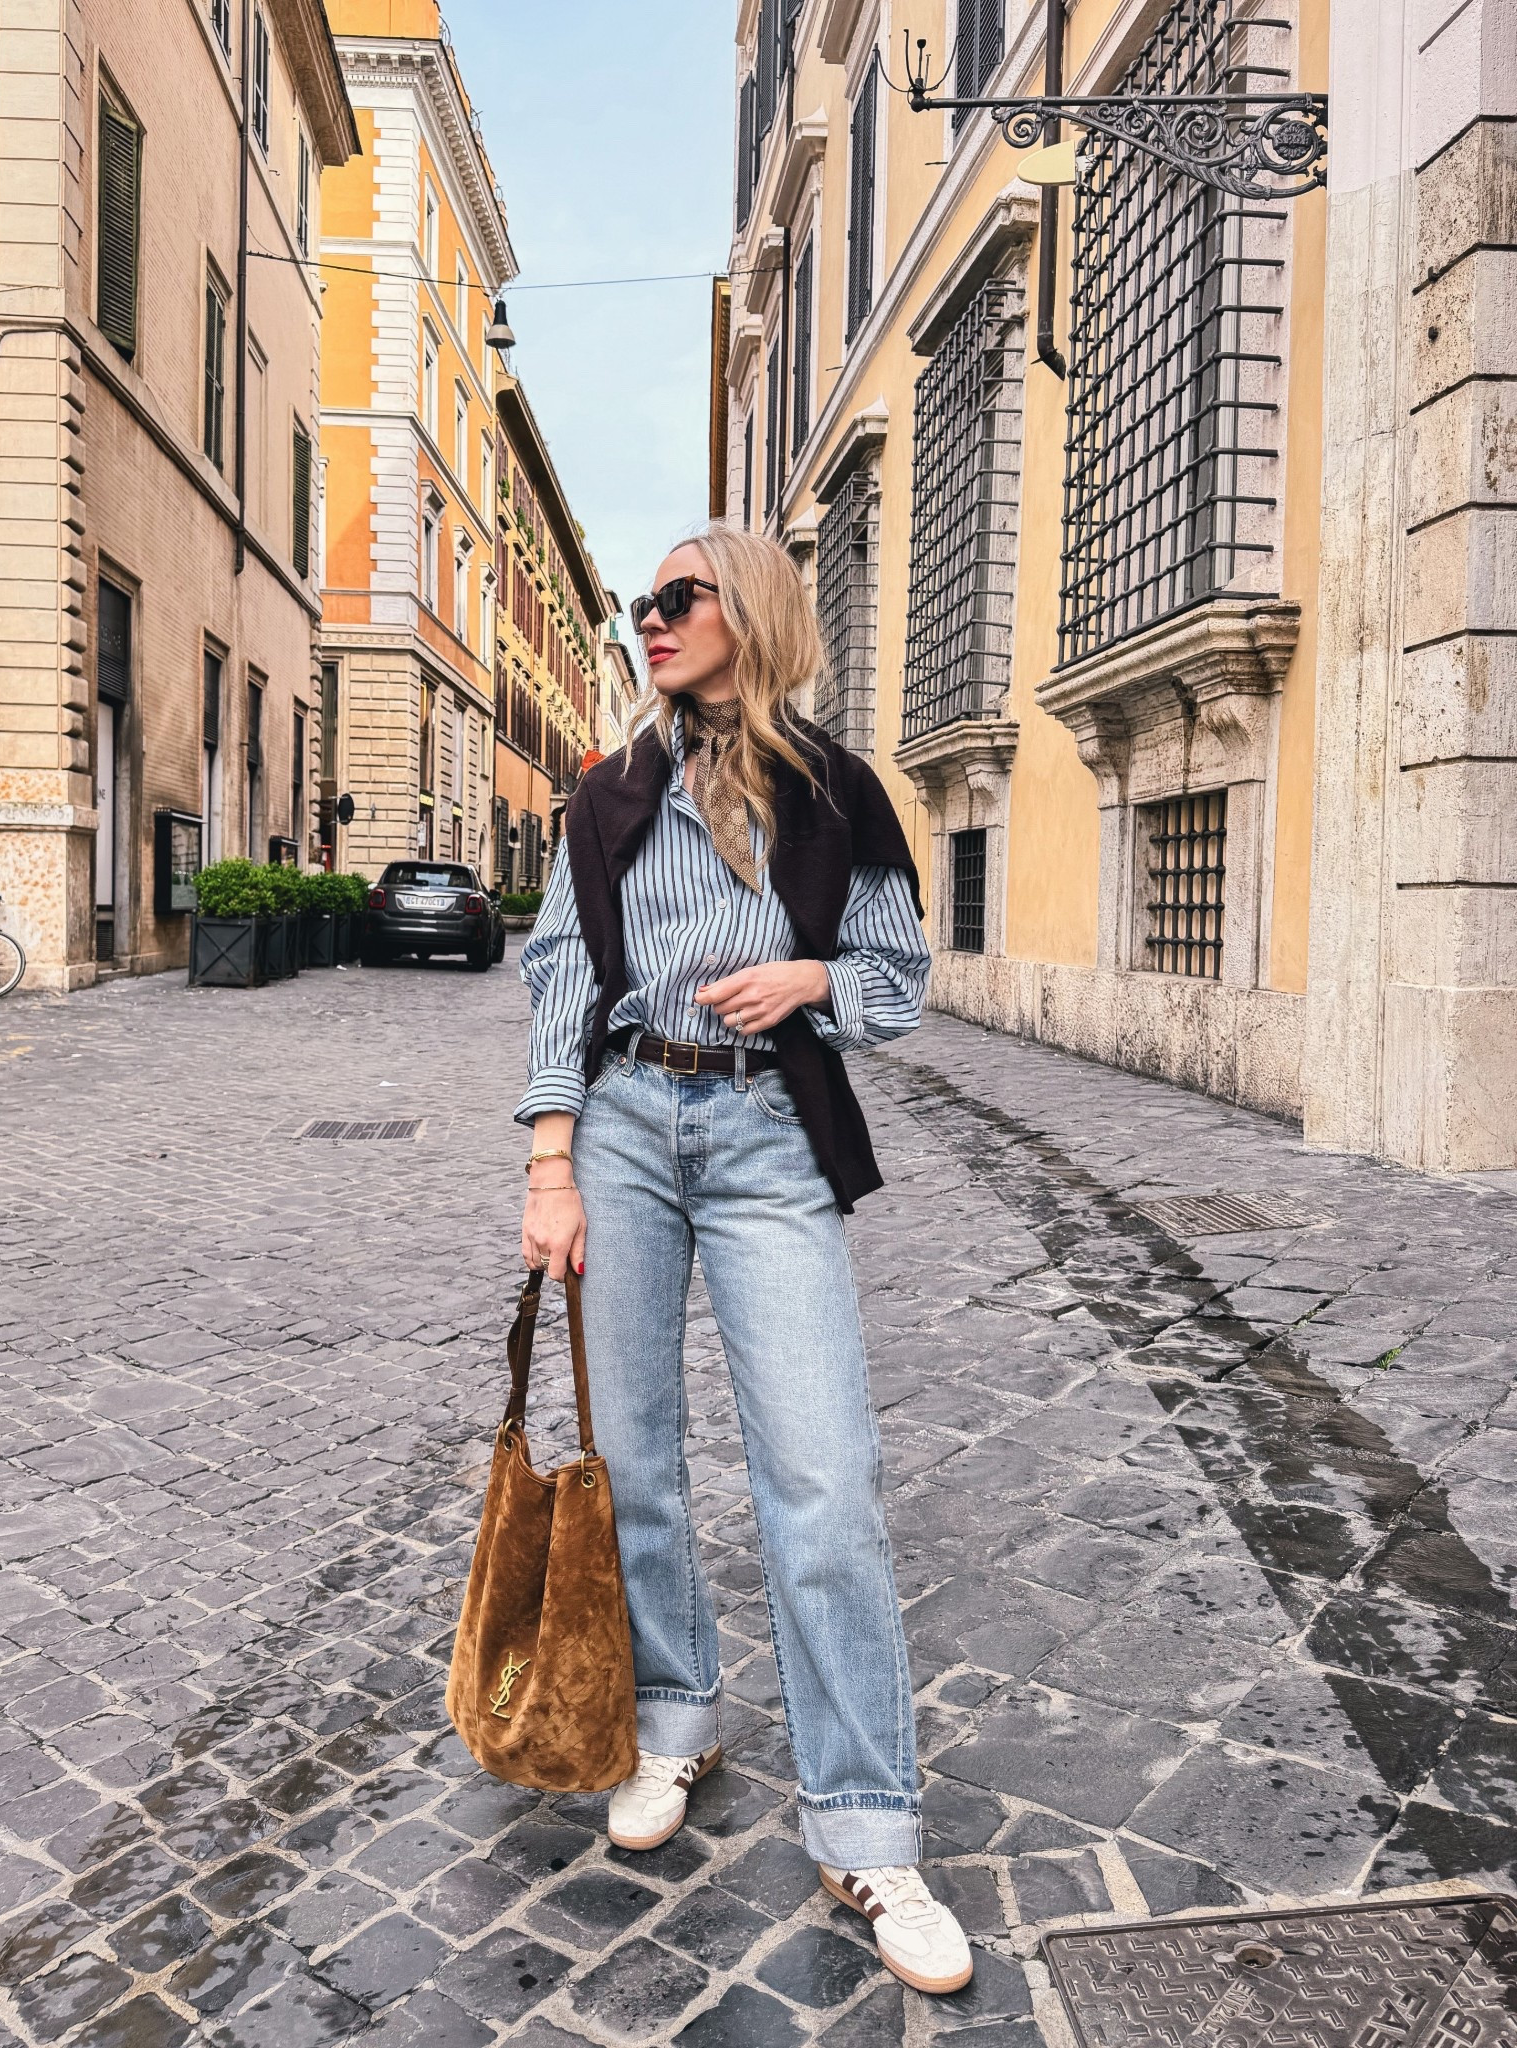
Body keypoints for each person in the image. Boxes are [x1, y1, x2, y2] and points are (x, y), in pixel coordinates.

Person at [515, 524, 971, 1997]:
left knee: (824, 1475)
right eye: (641, 606)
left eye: (678, 600)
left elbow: (901, 983)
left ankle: (866, 1825)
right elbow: (559, 978)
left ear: (750, 611)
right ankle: (671, 1720)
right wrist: (549, 1162)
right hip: (630, 1129)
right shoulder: (609, 793)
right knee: (636, 1455)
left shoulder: (837, 791)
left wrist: (817, 977)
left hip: (773, 1131)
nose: (650, 622)